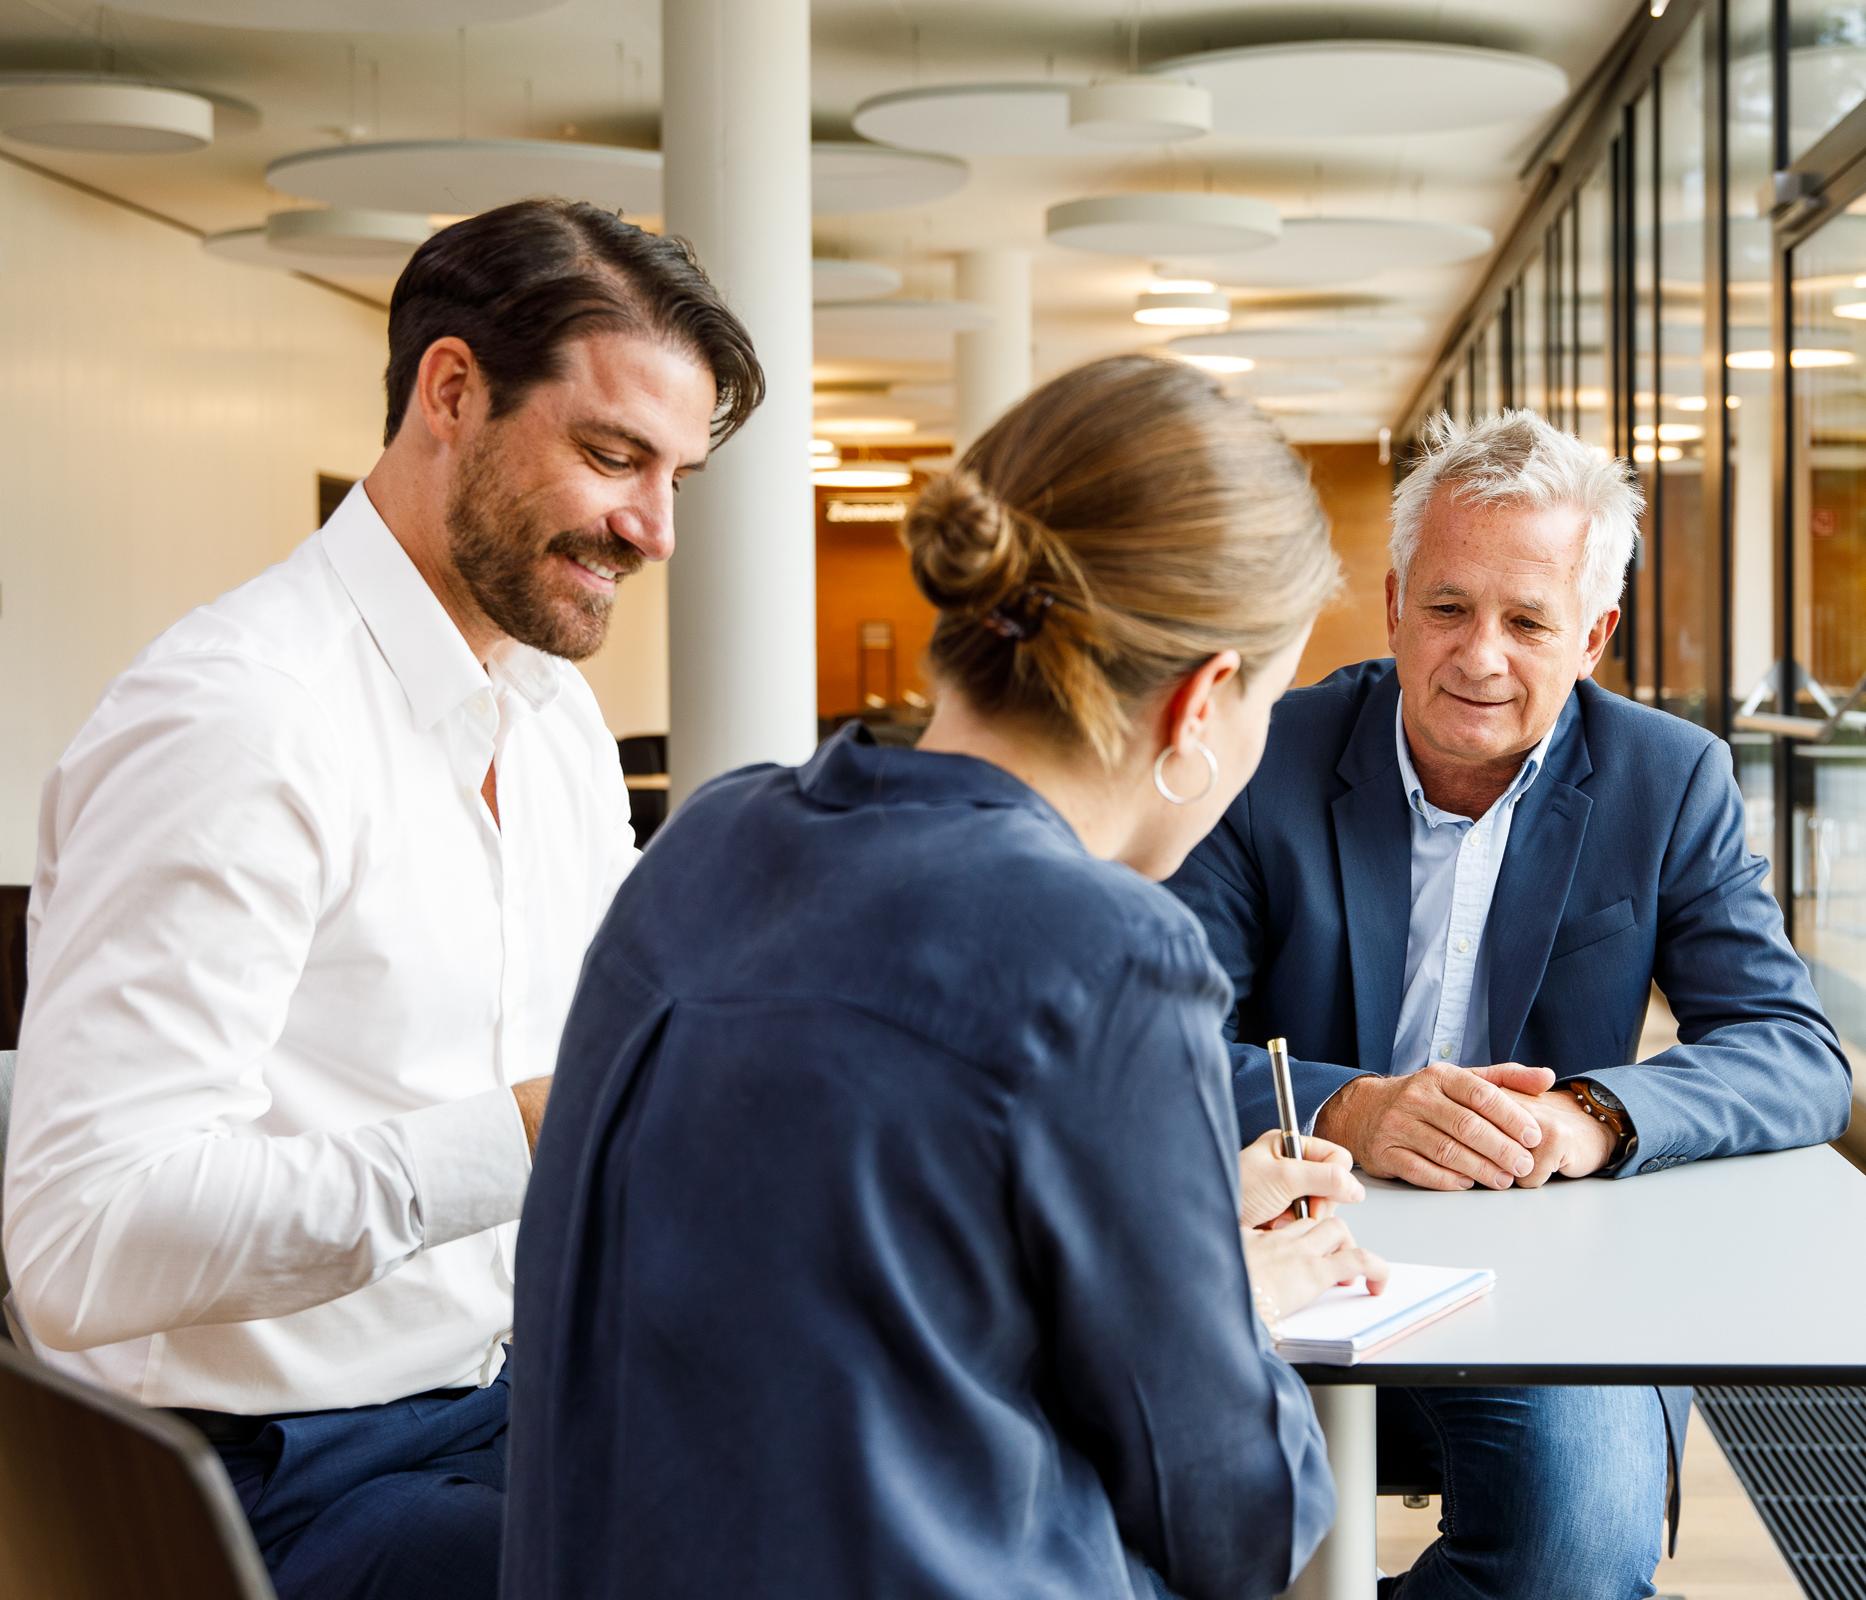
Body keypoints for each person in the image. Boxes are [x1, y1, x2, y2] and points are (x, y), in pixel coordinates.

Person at [504, 354, 1386, 1600]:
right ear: (1201, 705)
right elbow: (1241, 1522)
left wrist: (1176, 1256)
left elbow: (822, 1312)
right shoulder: (1105, 951)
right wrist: (1212, 1312)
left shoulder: (709, 844)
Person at [3, 198, 762, 1600]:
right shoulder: (238, 721)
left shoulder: (550, 722)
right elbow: (79, 1244)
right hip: (264, 1478)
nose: (654, 531)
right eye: (612, 457)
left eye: (679, 478)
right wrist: (528, 1132)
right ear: (452, 394)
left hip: (509, 1403)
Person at [1167, 408, 1852, 1600]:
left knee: (1573, 1559)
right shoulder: (1266, 753)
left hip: (1554, 1264)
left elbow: (1792, 1052)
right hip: (1284, 1235)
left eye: (1528, 621)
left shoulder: (1666, 776)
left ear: (1593, 635)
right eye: (1447, 607)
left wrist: (1595, 1112)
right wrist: (1353, 1112)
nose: (1478, 655)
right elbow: (1159, 1043)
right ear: (1392, 604)